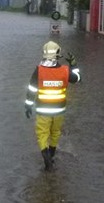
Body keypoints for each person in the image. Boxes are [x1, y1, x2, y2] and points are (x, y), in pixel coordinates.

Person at [24, 41, 81, 171]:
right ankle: (52, 157)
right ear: (58, 54)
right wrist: (73, 64)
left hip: (43, 111)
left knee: (42, 135)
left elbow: (32, 89)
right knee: (55, 133)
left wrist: (28, 105)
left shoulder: (39, 70)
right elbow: (77, 78)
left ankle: (47, 162)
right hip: (59, 110)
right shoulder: (65, 71)